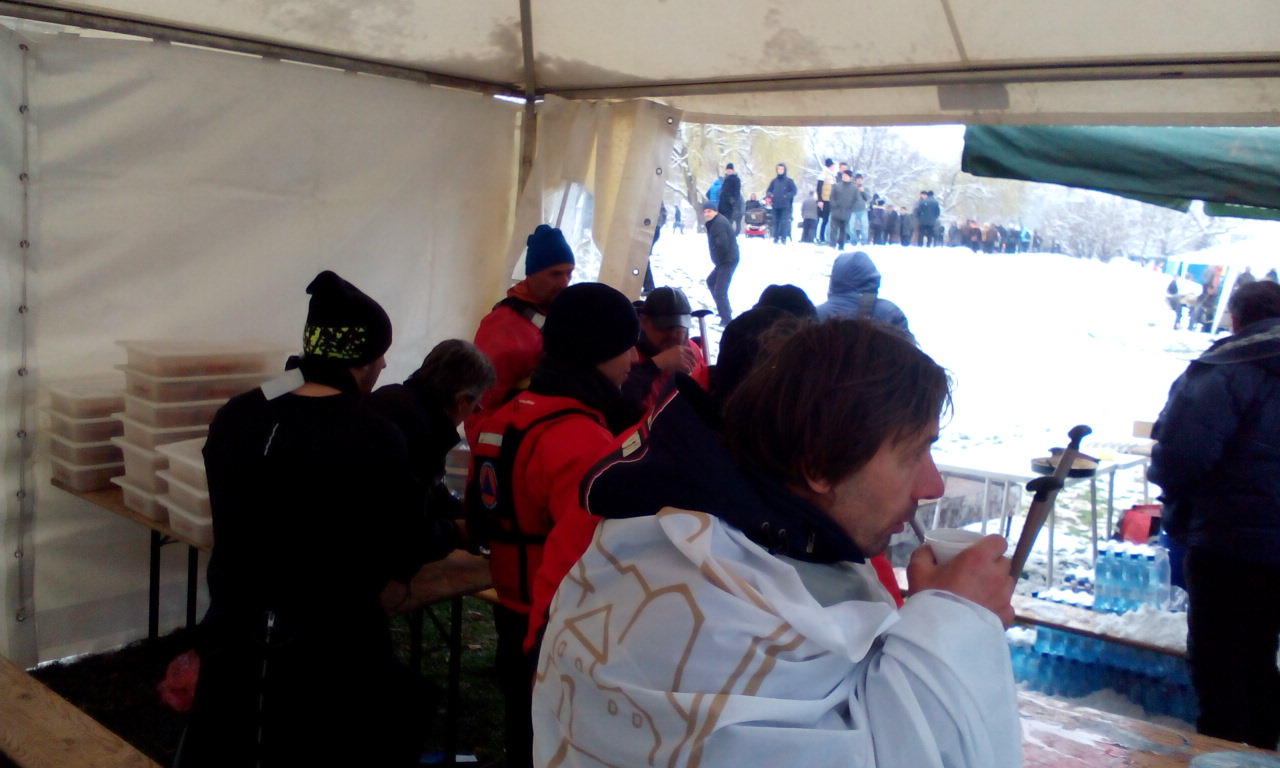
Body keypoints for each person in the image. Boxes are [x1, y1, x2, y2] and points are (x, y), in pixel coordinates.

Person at [531, 318, 1021, 768]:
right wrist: (954, 625)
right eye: (913, 454)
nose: (933, 486)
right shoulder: (694, 590)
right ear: (820, 464)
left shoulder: (788, 546)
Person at [183, 271, 441, 768]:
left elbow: (279, 393)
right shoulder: (374, 435)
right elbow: (403, 537)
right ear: (361, 360)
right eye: (380, 355)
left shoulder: (238, 414)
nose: (385, 365)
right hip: (331, 648)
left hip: (234, 633)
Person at [469, 283, 642, 768]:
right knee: (549, 740)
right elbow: (589, 555)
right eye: (624, 347)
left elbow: (479, 517)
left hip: (509, 604)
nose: (633, 359)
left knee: (521, 729)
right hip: (554, 626)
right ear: (595, 352)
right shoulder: (583, 440)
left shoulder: (501, 419)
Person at [1148, 280, 1280, 750]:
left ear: (1236, 319)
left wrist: (1176, 503)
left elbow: (1181, 455)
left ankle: (1222, 756)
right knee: (1261, 657)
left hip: (1230, 544)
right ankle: (1263, 751)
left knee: (1220, 666)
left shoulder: (1226, 368)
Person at [369, 339, 496, 550]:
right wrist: (459, 532)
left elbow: (429, 492)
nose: (475, 412)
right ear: (462, 401)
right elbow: (407, 531)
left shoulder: (391, 398)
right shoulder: (424, 432)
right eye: (476, 406)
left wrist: (465, 515)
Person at [468, 224, 575, 447]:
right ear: (531, 274)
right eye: (555, 274)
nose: (564, 283)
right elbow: (479, 404)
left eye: (569, 273)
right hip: (510, 448)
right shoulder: (503, 326)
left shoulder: (557, 316)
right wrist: (494, 455)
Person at [623, 287, 710, 412]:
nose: (673, 335)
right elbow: (618, 403)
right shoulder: (625, 355)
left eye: (679, 329)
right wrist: (654, 365)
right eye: (665, 328)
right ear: (644, 321)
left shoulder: (693, 350)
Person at [816, 250, 911, 333]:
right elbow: (907, 347)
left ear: (835, 277)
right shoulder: (889, 314)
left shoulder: (815, 314)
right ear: (872, 279)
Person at [703, 201, 740, 325]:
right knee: (711, 281)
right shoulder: (715, 222)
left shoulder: (718, 224)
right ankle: (724, 309)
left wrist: (718, 258)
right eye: (705, 212)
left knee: (720, 291)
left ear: (715, 211)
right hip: (723, 261)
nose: (707, 214)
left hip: (727, 260)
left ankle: (727, 319)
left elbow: (722, 244)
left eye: (709, 211)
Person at [765, 162, 797, 244]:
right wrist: (770, 195)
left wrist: (787, 195)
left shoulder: (789, 181)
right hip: (775, 205)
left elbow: (794, 191)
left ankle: (783, 238)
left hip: (785, 206)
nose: (780, 170)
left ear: (784, 170)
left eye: (782, 169)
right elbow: (768, 191)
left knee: (784, 222)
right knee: (775, 221)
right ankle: (775, 238)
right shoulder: (774, 181)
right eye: (778, 169)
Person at [827, 169, 856, 249]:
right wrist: (834, 206)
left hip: (846, 212)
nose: (844, 177)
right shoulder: (836, 186)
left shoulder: (854, 189)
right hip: (836, 211)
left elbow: (856, 199)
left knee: (843, 230)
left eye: (846, 176)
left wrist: (851, 208)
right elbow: (832, 197)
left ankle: (841, 245)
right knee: (833, 229)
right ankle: (832, 244)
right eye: (843, 175)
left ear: (850, 178)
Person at [717, 163, 743, 235]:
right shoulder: (725, 179)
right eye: (727, 169)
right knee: (722, 221)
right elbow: (723, 191)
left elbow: (737, 191)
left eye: (730, 169)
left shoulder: (736, 179)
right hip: (722, 203)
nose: (729, 171)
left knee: (729, 222)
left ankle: (730, 236)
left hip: (730, 205)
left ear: (733, 170)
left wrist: (734, 200)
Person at [816, 158, 836, 244]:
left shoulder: (831, 175)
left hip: (830, 200)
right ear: (830, 166)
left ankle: (826, 237)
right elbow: (819, 188)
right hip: (825, 200)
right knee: (824, 220)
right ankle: (820, 237)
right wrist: (820, 200)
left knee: (828, 220)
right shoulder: (823, 175)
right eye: (833, 166)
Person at [849, 173, 871, 245]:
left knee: (864, 226)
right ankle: (853, 241)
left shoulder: (865, 189)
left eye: (861, 180)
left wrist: (863, 192)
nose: (859, 181)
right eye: (858, 179)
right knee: (851, 226)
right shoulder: (851, 188)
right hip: (852, 210)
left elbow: (867, 199)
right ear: (855, 180)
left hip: (862, 209)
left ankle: (864, 241)